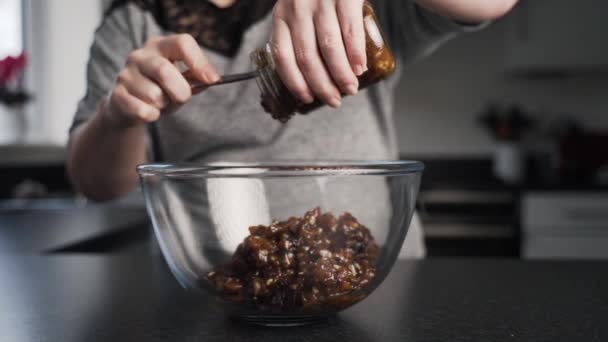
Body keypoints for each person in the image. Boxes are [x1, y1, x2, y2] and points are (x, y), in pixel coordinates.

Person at [68, 0, 517, 258]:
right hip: (214, 286)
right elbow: (96, 184)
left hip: (377, 280)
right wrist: (118, 114)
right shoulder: (131, 23)